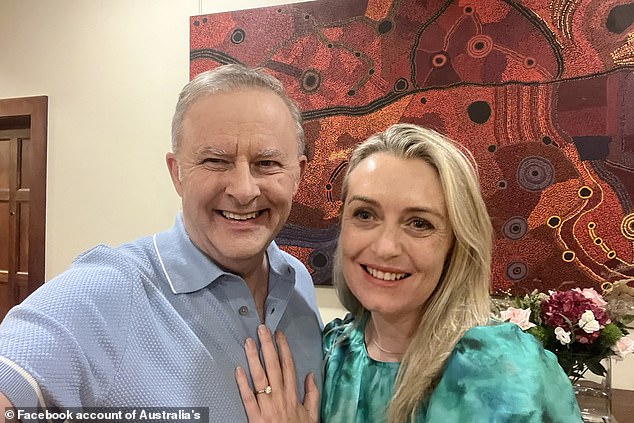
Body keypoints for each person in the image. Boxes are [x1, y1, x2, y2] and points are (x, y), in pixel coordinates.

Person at [0, 64, 323, 422]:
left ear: (297, 175)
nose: (244, 190)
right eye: (215, 161)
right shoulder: (109, 289)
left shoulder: (298, 282)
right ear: (177, 174)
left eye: (267, 163)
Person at [236, 123, 582, 422]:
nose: (386, 247)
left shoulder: (505, 371)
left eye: (419, 223)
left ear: (456, 244)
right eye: (365, 214)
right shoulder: (331, 353)